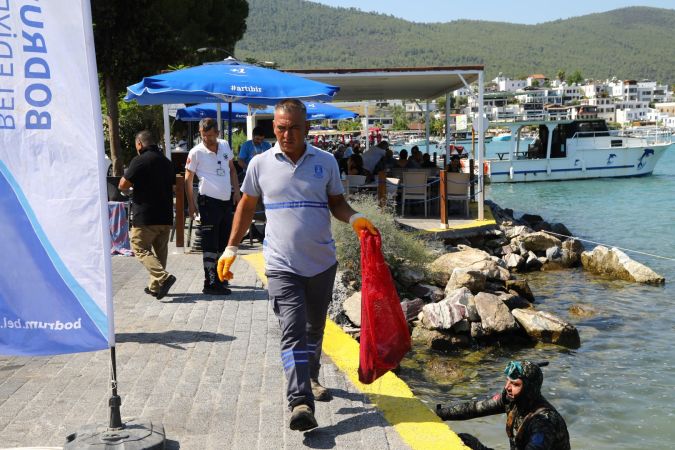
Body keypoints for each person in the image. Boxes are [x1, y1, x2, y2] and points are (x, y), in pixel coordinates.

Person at [216, 99, 378, 432]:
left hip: (321, 262)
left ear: (306, 128)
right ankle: (300, 401)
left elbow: (337, 203)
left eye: (293, 128)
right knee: (291, 333)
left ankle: (312, 376)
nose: (286, 134)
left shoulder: (327, 162)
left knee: (313, 330)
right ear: (274, 127)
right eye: (280, 127)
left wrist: (356, 218)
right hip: (280, 264)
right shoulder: (260, 164)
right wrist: (231, 247)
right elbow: (246, 207)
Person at [436, 360, 571, 450]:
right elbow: (475, 408)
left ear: (530, 388)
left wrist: (481, 448)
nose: (508, 387)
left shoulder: (544, 422)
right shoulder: (512, 400)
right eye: (508, 381)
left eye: (515, 384)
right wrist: (440, 414)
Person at [185, 118, 240, 295]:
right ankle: (209, 283)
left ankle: (219, 278)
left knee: (224, 242)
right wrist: (191, 205)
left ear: (217, 133)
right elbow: (188, 179)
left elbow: (232, 169)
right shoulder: (196, 152)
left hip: (225, 201)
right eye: (203, 135)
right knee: (210, 243)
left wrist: (237, 192)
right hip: (208, 202)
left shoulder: (224, 145)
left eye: (210, 135)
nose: (206, 139)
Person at [119, 131, 176, 300]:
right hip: (165, 215)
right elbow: (173, 187)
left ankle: (164, 278)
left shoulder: (140, 160)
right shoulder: (166, 162)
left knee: (139, 248)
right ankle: (155, 287)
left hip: (145, 216)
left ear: (139, 143)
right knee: (160, 252)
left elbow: (123, 184)